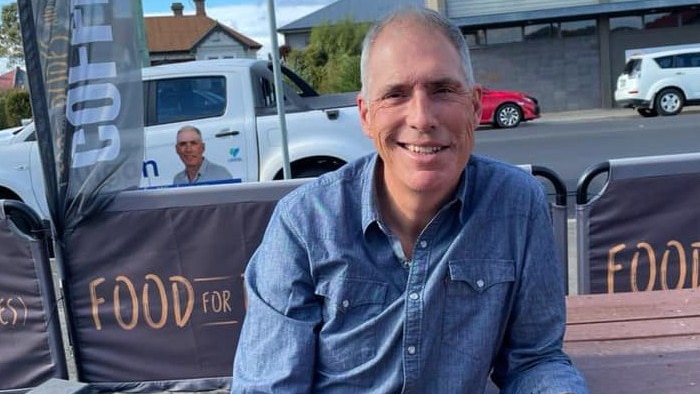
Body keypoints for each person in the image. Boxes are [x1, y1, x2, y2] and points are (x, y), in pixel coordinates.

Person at [231, 6, 588, 394]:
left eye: (442, 90)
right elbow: (269, 386)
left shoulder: (518, 206)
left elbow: (534, 359)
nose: (421, 118)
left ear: (473, 106)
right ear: (366, 116)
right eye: (396, 94)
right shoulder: (303, 224)